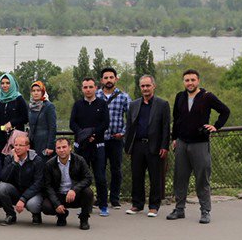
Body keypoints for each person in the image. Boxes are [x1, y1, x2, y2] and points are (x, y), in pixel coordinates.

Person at [167, 68, 231, 224]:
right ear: (184, 82)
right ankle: (179, 209)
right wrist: (174, 138)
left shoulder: (207, 97)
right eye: (187, 80)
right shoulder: (180, 97)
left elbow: (225, 111)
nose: (190, 83)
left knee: (202, 178)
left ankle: (205, 211)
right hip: (182, 143)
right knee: (180, 178)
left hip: (200, 143)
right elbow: (176, 119)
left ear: (198, 81)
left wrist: (216, 126)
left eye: (192, 80)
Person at [125, 75, 171, 217]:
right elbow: (129, 127)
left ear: (154, 86)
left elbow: (165, 127)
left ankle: (153, 206)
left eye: (148, 86)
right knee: (137, 176)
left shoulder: (162, 104)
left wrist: (165, 146)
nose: (145, 88)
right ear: (140, 88)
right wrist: (128, 147)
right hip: (137, 145)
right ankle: (137, 204)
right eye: (142, 86)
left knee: (155, 177)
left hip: (155, 146)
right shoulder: (133, 105)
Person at [69, 77, 110, 216]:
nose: (88, 90)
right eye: (85, 87)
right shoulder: (77, 105)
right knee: (81, 177)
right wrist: (83, 135)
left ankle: (103, 205)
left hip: (98, 145)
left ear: (95, 88)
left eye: (90, 87)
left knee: (100, 177)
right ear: (82, 89)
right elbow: (72, 124)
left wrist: (92, 133)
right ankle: (84, 206)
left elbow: (105, 123)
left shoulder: (102, 104)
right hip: (81, 147)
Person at [96, 67, 131, 209]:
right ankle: (101, 198)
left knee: (116, 170)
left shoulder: (124, 97)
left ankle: (115, 198)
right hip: (100, 139)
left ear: (116, 79)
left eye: (111, 77)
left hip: (116, 139)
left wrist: (123, 132)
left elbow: (131, 118)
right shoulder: (96, 95)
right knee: (100, 170)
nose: (108, 80)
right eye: (106, 78)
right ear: (101, 80)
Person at [41, 138, 95, 230]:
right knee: (46, 207)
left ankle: (84, 218)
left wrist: (74, 189)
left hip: (74, 194)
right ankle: (62, 214)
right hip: (59, 195)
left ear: (70, 148)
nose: (61, 150)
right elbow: (47, 186)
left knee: (88, 193)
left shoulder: (79, 160)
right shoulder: (49, 164)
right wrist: (56, 204)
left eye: (64, 147)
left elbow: (88, 178)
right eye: (58, 148)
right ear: (55, 149)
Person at [0, 133, 45, 225]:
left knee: (33, 205)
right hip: (16, 190)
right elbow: (4, 178)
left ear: (28, 147)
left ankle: (36, 214)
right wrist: (14, 163)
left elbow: (38, 183)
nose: (17, 148)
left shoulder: (37, 160)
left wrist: (23, 199)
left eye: (21, 145)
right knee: (2, 187)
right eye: (15, 145)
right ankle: (10, 215)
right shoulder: (9, 158)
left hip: (32, 192)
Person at [0, 72, 28, 155]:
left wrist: (12, 123)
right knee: (0, 159)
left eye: (7, 83)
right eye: (2, 83)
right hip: (0, 135)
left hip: (15, 136)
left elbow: (25, 118)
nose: (5, 85)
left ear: (12, 84)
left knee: (14, 160)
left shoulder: (18, 98)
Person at [27, 81, 57, 157]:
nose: (36, 93)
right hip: (32, 142)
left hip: (44, 142)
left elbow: (52, 127)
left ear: (42, 92)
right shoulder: (30, 106)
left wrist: (50, 146)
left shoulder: (48, 106)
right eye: (33, 91)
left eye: (38, 90)